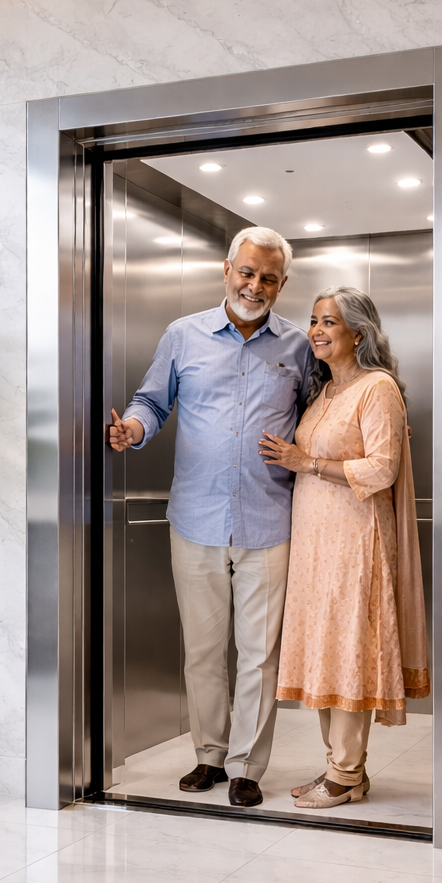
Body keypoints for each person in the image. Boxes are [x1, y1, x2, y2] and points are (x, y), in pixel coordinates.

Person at [108, 226, 312, 808]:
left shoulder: (297, 346)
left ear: (282, 282)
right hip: (194, 517)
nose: (255, 285)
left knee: (259, 653)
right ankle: (209, 757)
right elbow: (152, 400)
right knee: (201, 648)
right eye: (247, 272)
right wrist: (134, 430)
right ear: (227, 269)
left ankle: (249, 765)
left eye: (268, 277)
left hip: (270, 520)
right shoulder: (183, 335)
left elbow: (315, 418)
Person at [259, 287, 429, 808]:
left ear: (360, 331)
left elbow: (383, 468)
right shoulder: (324, 394)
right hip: (315, 547)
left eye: (329, 321)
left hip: (357, 543)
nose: (316, 330)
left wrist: (303, 462)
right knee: (325, 652)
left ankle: (347, 771)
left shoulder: (377, 389)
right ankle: (338, 768)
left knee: (350, 649)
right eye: (313, 321)